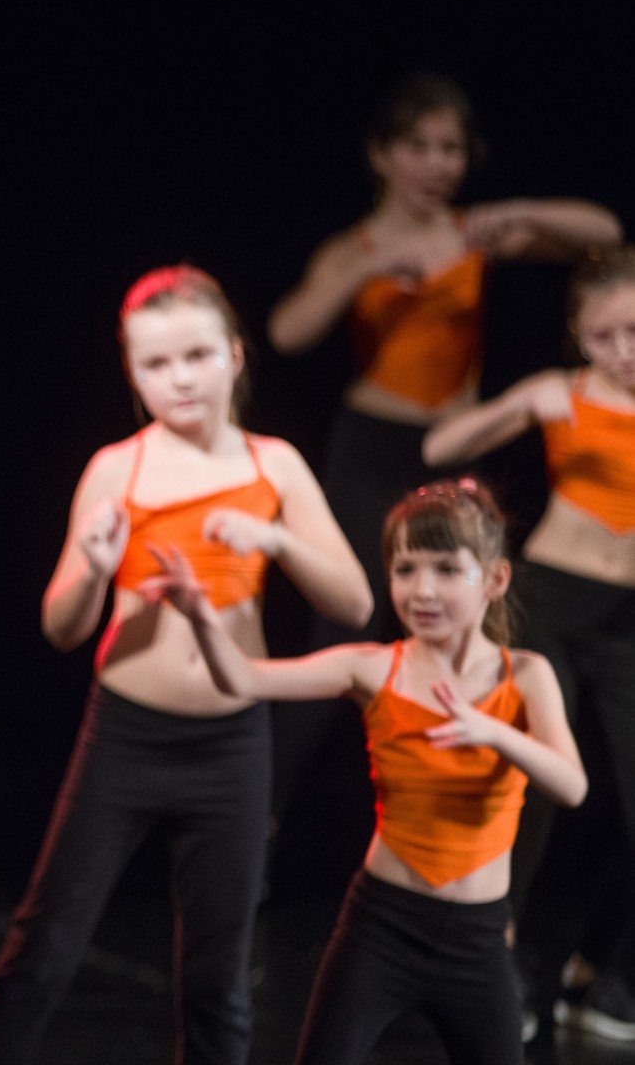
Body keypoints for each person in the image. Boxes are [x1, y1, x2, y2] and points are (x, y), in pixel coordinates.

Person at [0, 266, 372, 1065]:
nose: (179, 378)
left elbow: (354, 604)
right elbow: (62, 627)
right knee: (45, 943)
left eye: (196, 356)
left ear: (235, 355)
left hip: (232, 743)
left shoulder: (274, 465)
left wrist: (277, 540)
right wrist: (93, 569)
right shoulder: (118, 468)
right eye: (156, 363)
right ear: (132, 373)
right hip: (126, 737)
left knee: (218, 975)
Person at [264, 72, 617, 873]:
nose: (437, 164)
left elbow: (600, 231)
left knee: (472, 628)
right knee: (351, 627)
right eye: (419, 147)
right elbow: (288, 331)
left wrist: (516, 214)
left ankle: (468, 821)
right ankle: (264, 819)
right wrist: (373, 266)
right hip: (371, 446)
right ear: (382, 155)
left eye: (451, 149)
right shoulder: (354, 249)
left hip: (455, 446)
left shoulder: (472, 233)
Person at [145, 478, 585, 1065]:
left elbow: (571, 785)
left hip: (477, 940)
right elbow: (244, 679)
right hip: (382, 928)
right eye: (405, 570)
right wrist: (200, 615)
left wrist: (496, 734)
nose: (422, 589)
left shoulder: (526, 676)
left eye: (446, 570)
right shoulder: (373, 669)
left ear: (495, 580)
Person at [424, 247, 635, 1039]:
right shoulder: (564, 391)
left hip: (629, 621)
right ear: (578, 335)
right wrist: (523, 406)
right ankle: (494, 967)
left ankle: (602, 975)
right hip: (552, 601)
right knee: (531, 784)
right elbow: (441, 449)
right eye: (605, 335)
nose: (624, 351)